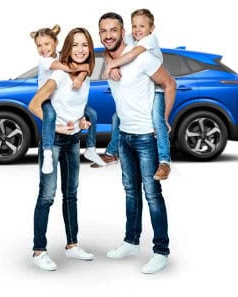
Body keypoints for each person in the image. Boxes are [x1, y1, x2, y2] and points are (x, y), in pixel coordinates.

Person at [98, 12, 176, 274]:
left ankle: (161, 251)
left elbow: (169, 83)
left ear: (123, 33)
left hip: (145, 137)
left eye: (113, 30)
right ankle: (131, 241)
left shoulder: (142, 56)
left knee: (152, 194)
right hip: (125, 138)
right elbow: (110, 58)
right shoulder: (109, 60)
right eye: (103, 31)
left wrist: (163, 118)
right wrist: (113, 63)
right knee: (130, 191)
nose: (108, 35)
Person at [28, 27, 96, 271]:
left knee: (71, 194)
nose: (80, 49)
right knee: (47, 195)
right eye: (75, 45)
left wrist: (80, 122)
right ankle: (38, 251)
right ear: (67, 47)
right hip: (54, 142)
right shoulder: (57, 75)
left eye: (85, 45)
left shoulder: (84, 76)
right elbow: (34, 104)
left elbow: (74, 109)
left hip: (73, 140)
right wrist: (56, 127)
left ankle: (72, 245)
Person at [93, 9, 173, 181]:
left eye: (142, 26)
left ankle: (165, 161)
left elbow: (132, 54)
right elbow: (110, 48)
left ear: (152, 28)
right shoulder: (130, 38)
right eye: (134, 26)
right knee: (117, 118)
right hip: (139, 93)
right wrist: (111, 64)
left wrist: (112, 64)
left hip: (157, 88)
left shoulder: (148, 41)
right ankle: (111, 153)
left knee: (158, 122)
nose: (137, 30)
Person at [29, 25, 105, 174]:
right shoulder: (46, 61)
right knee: (49, 116)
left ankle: (90, 148)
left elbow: (85, 66)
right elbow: (68, 67)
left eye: (46, 44)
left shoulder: (61, 56)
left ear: (56, 43)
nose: (43, 48)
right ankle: (48, 152)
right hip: (46, 98)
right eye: (39, 45)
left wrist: (82, 75)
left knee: (92, 113)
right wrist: (81, 70)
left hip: (71, 129)